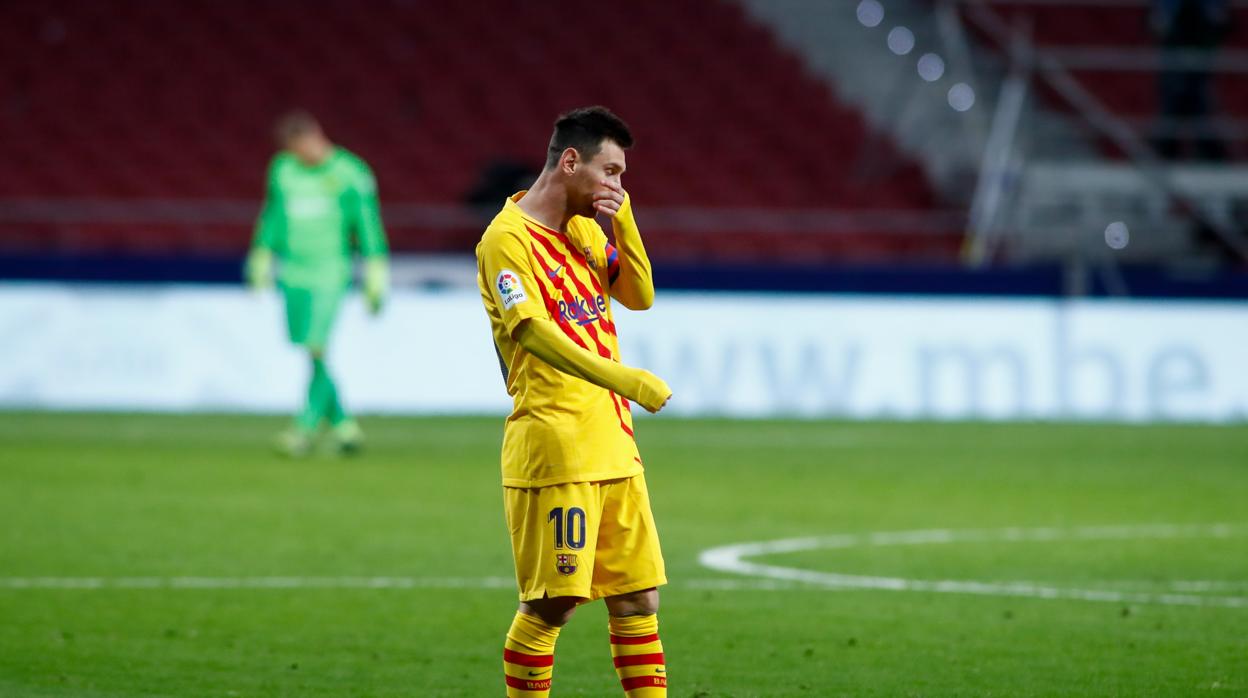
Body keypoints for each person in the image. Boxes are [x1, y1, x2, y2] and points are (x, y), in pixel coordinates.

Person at [475, 106, 673, 697]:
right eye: (610, 173)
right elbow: (532, 332)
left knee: (639, 596)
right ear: (569, 162)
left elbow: (638, 296)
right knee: (554, 604)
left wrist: (625, 219)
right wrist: (625, 378)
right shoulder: (505, 240)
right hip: (556, 447)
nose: (616, 186)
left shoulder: (587, 228)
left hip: (614, 443)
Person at [245, 110, 390, 456]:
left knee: (317, 346)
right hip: (292, 274)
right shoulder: (282, 170)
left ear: (314, 136)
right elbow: (273, 216)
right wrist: (262, 252)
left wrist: (375, 267)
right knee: (311, 352)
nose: (299, 155)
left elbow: (367, 224)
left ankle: (303, 429)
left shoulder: (351, 173)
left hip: (331, 273)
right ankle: (343, 425)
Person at [1152, 0, 1233, 160]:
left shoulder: (1210, 4)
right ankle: (1168, 148)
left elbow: (1225, 23)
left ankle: (1206, 149)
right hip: (1175, 59)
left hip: (1201, 59)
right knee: (1177, 98)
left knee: (1198, 100)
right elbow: (1154, 25)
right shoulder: (1168, 4)